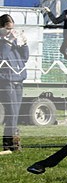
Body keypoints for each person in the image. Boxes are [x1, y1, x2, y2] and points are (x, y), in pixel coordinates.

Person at [0, 15, 29, 152]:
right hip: (7, 80)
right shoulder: (3, 42)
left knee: (16, 113)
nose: (11, 31)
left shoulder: (13, 42)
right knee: (12, 113)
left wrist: (24, 45)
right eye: (8, 28)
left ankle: (9, 143)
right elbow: (1, 58)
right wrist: (8, 42)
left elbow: (24, 58)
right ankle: (12, 143)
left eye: (12, 28)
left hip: (19, 79)